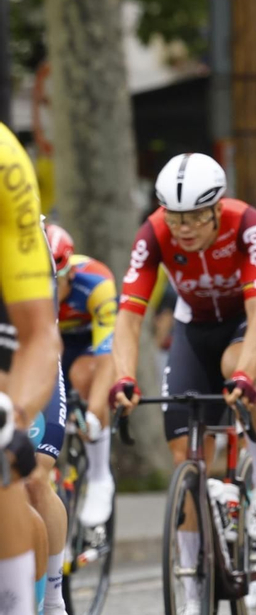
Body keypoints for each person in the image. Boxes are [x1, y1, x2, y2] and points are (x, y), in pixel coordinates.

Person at [111, 152, 256, 615]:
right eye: (175, 217)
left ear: (215, 209)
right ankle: (190, 582)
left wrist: (247, 373)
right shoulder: (154, 233)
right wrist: (123, 376)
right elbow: (128, 317)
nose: (182, 228)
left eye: (194, 218)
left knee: (236, 366)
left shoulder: (244, 223)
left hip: (243, 325)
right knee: (186, 461)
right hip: (193, 327)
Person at [0, 125, 62, 615]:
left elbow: (40, 336)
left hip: (10, 319)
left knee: (24, 477)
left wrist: (14, 416)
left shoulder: (7, 162)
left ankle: (39, 602)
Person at [46, 225, 117, 527]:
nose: (48, 290)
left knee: (86, 378)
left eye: (54, 282)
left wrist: (94, 412)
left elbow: (107, 358)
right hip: (49, 342)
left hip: (88, 346)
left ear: (69, 274)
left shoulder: (96, 282)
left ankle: (100, 475)